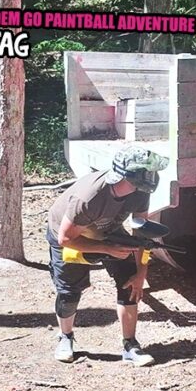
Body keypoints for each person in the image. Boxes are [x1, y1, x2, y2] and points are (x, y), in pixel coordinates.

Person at [45, 145, 167, 366]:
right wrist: (107, 249)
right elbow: (66, 239)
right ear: (126, 175)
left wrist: (141, 273)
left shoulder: (140, 192)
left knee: (130, 283)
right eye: (145, 174)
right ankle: (65, 337)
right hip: (68, 235)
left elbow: (142, 234)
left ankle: (130, 345)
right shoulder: (89, 198)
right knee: (69, 292)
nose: (150, 179)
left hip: (106, 229)